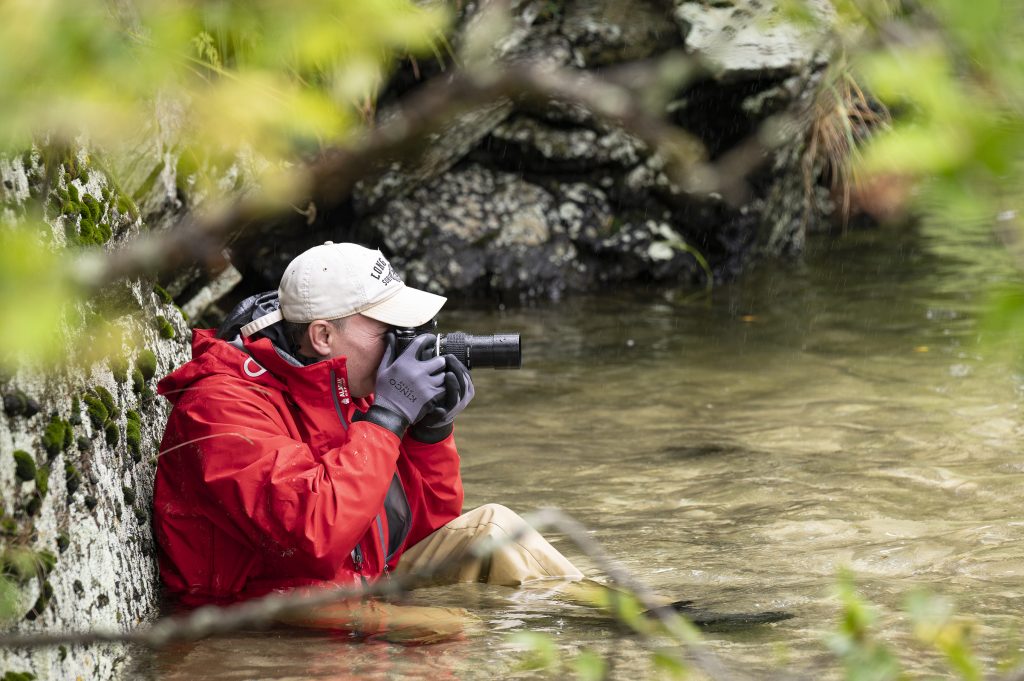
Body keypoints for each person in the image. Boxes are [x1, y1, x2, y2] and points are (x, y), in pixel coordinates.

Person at [153, 241, 582, 608]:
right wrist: (389, 417)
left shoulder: (348, 386)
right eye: (389, 327)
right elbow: (313, 538)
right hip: (260, 616)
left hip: (348, 588)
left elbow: (419, 534)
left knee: (495, 529)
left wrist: (429, 433)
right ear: (323, 336)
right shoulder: (220, 407)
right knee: (455, 630)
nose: (405, 338)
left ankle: (616, 616)